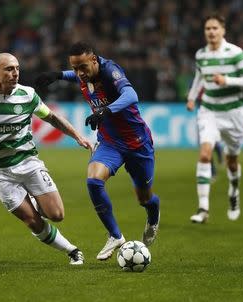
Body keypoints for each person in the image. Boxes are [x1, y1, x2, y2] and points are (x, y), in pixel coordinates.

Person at [0, 53, 92, 264]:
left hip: (28, 163)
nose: (15, 73)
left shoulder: (27, 95)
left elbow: (52, 117)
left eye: (17, 68)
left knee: (57, 214)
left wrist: (78, 136)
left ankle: (32, 198)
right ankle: (72, 250)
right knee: (32, 220)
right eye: (9, 69)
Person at [35, 42, 160, 261]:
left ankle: (153, 214)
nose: (79, 73)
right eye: (74, 68)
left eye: (82, 67)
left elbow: (131, 95)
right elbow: (76, 76)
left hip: (137, 143)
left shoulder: (111, 71)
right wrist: (58, 75)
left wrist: (106, 111)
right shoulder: (84, 74)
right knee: (93, 180)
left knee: (144, 198)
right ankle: (115, 236)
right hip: (110, 143)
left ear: (95, 60)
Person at [186, 14, 243, 223]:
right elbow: (200, 77)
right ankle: (203, 209)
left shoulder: (235, 53)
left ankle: (234, 192)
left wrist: (226, 80)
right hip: (209, 110)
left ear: (223, 31)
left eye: (215, 28)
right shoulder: (201, 55)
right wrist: (192, 98)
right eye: (208, 28)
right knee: (205, 154)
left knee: (232, 161)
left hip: (233, 113)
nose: (211, 32)